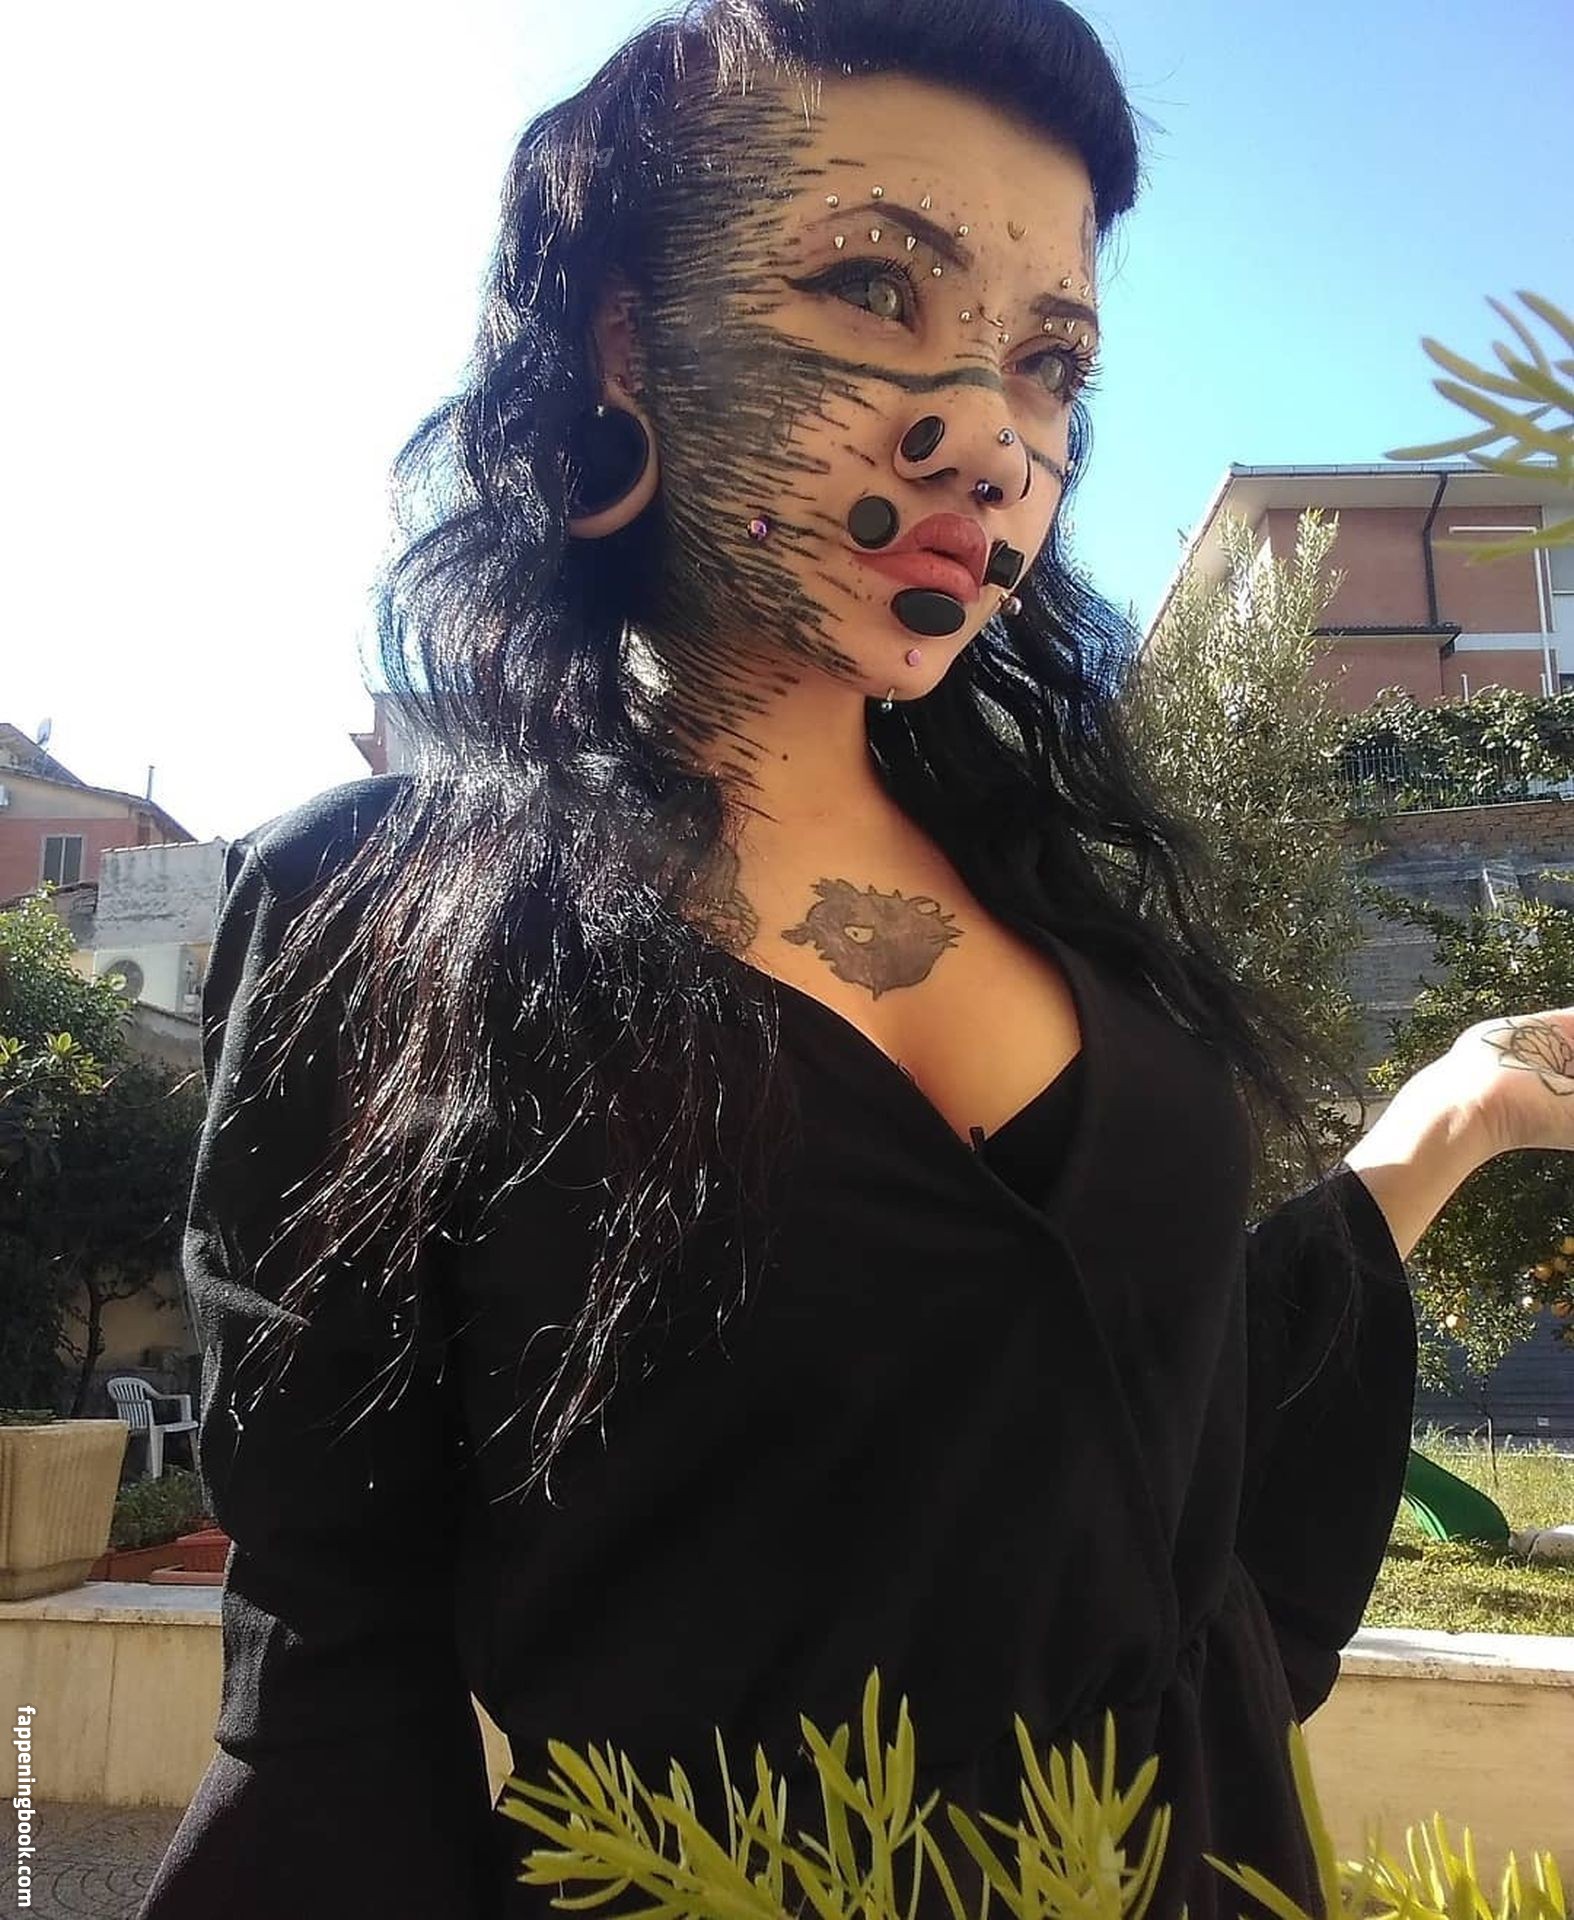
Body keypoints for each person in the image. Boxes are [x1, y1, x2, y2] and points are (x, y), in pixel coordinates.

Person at [137, 3, 1574, 1916]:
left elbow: (1128, 1411)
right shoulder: (380, 909)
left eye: (1048, 362)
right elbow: (335, 1665)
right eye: (873, 286)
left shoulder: (1070, 899)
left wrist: (1447, 1125)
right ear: (627, 342)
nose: (989, 436)